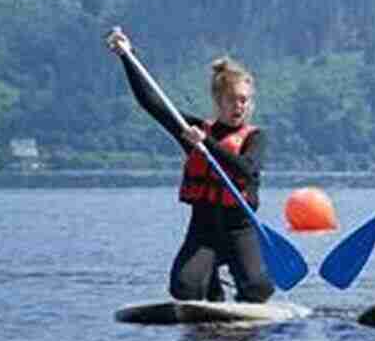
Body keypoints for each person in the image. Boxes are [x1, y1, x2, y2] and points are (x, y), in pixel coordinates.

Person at [105, 27, 274, 304]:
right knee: (185, 290)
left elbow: (246, 169)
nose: (239, 106)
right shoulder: (192, 130)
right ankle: (212, 286)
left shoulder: (255, 137)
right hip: (204, 229)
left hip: (239, 230)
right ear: (219, 101)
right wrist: (127, 56)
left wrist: (206, 143)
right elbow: (152, 103)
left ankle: (239, 279)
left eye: (244, 100)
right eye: (232, 99)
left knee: (257, 291)